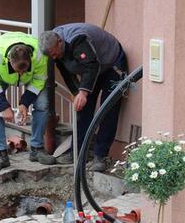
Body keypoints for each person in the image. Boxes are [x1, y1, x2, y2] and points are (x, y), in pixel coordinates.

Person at [39, 23, 128, 172]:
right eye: (52, 56)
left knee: (108, 109)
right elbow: (66, 71)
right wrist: (76, 92)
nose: (55, 57)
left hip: (113, 64)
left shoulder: (77, 39)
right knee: (83, 109)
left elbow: (92, 66)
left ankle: (100, 156)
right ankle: (79, 152)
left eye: (55, 54)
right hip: (93, 69)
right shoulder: (53, 46)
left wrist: (83, 92)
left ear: (60, 42)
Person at [0, 32, 56, 173]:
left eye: (25, 70)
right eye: (19, 70)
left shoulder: (39, 55)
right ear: (10, 61)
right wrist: (4, 107)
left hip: (33, 79)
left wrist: (24, 103)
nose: (22, 74)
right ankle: (0, 154)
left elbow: (39, 80)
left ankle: (36, 149)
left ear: (31, 60)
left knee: (42, 104)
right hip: (2, 77)